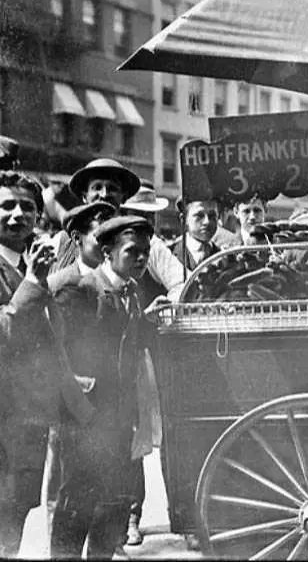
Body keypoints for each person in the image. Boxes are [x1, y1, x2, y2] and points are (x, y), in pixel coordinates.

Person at [0, 171, 93, 557]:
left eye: (27, 207)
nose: (17, 215)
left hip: (26, 419)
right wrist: (34, 285)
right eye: (7, 205)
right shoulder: (33, 275)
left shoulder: (31, 266)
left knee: (15, 511)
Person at [50, 216, 154, 559]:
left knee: (113, 506)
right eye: (132, 252)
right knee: (76, 504)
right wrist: (82, 411)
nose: (141, 258)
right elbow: (56, 357)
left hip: (119, 420)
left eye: (146, 251)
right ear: (107, 252)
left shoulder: (132, 293)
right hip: (84, 420)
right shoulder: (80, 291)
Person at [50, 159, 185, 302]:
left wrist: (162, 314)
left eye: (112, 188)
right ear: (85, 196)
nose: (104, 194)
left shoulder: (143, 240)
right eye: (97, 187)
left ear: (124, 197)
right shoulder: (63, 240)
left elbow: (182, 283)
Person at [119, 182, 171, 546]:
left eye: (148, 216)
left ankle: (132, 516)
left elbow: (179, 280)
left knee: (135, 435)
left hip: (141, 349)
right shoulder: (110, 244)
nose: (143, 221)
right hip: (101, 352)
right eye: (137, 214)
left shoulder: (154, 249)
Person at [171, 198, 221, 271]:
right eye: (199, 215)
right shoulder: (169, 255)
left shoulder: (226, 257)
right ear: (184, 219)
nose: (207, 221)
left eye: (212, 215)